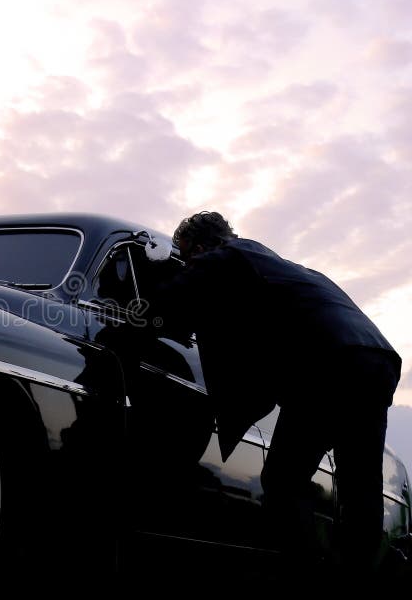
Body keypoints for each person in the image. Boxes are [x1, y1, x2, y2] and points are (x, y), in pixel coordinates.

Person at [149, 211, 402, 585]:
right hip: (376, 359)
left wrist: (144, 312)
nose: (190, 265)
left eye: (187, 257)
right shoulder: (275, 265)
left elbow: (166, 303)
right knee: (359, 487)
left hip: (330, 362)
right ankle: (360, 579)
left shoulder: (228, 257)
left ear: (200, 248)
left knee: (284, 479)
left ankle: (305, 573)